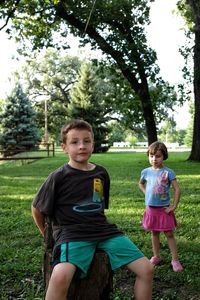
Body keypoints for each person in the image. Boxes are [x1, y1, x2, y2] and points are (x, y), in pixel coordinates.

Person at [32, 119, 154, 300]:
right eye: (75, 142)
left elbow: (98, 206)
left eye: (86, 141)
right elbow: (36, 209)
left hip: (104, 231)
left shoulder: (101, 173)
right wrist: (47, 235)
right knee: (59, 277)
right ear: (64, 147)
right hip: (73, 234)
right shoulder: (58, 177)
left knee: (147, 269)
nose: (82, 146)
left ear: (92, 144)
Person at [138, 141, 183, 272]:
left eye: (158, 156)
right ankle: (156, 256)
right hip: (151, 209)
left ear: (164, 156)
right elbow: (140, 184)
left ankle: (175, 259)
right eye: (151, 156)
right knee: (154, 233)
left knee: (169, 233)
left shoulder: (168, 172)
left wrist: (174, 206)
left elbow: (177, 190)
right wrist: (146, 192)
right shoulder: (145, 172)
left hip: (164, 209)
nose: (154, 159)